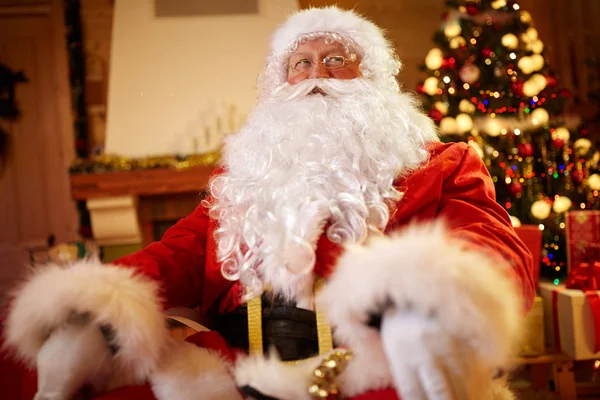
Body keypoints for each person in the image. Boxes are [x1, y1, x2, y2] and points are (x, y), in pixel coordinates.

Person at [2, 6, 534, 400]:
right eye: (300, 63)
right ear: (280, 82)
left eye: (335, 60)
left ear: (371, 77)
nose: (316, 75)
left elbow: (488, 247)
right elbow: (177, 254)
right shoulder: (245, 175)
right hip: (238, 368)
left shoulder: (441, 163)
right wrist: (96, 307)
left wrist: (429, 305)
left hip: (372, 360)